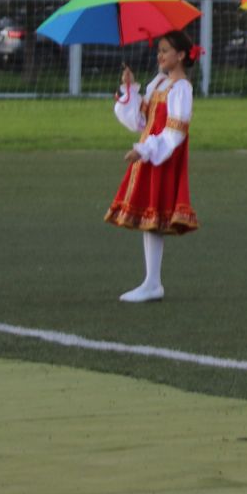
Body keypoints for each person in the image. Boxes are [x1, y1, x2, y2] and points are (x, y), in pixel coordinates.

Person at [106, 31, 200, 303]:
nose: (159, 56)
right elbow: (140, 121)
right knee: (150, 217)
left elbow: (176, 131)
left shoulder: (181, 88)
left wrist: (146, 149)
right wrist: (130, 90)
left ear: (180, 55)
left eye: (165, 51)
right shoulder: (159, 83)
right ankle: (151, 281)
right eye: (159, 50)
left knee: (155, 216)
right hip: (149, 153)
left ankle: (152, 282)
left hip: (162, 156)